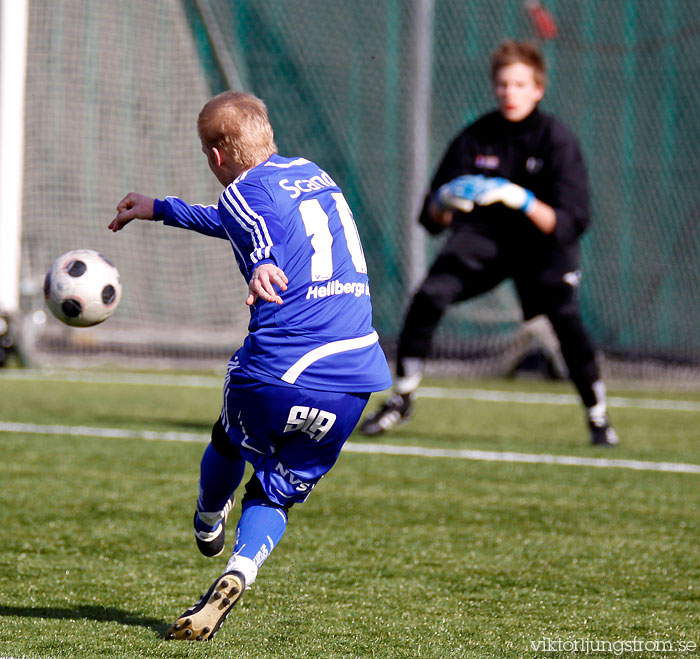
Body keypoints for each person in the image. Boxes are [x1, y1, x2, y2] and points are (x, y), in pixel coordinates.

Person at [108, 91, 392, 640]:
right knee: (273, 491)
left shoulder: (241, 192)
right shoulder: (314, 174)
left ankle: (208, 517)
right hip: (355, 377)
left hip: (277, 375)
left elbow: (251, 228)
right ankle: (240, 568)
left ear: (216, 158)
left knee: (227, 436)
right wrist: (161, 208)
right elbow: (244, 222)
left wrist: (261, 265)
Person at [361, 41, 618, 447]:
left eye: (519, 84)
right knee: (429, 295)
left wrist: (524, 199)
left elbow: (571, 222)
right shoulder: (477, 136)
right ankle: (403, 396)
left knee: (564, 316)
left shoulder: (556, 139)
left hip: (543, 247)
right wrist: (444, 201)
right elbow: (431, 219)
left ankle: (598, 417)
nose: (509, 93)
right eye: (502, 84)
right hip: (486, 240)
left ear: (538, 89)